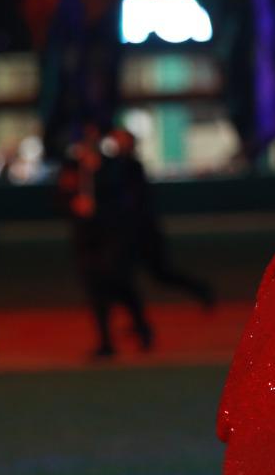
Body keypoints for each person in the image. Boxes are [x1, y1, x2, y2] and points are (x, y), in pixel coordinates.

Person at [57, 131, 152, 358]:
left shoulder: (113, 167)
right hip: (86, 236)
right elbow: (58, 199)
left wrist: (98, 177)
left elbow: (128, 198)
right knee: (95, 288)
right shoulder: (71, 169)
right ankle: (105, 341)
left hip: (112, 235)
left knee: (117, 282)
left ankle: (141, 326)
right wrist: (73, 204)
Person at [104, 128, 215, 311]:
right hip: (129, 232)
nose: (115, 143)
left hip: (143, 232)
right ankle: (139, 325)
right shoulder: (117, 165)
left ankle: (201, 290)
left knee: (160, 274)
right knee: (121, 277)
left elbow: (132, 200)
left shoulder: (131, 166)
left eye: (120, 140)